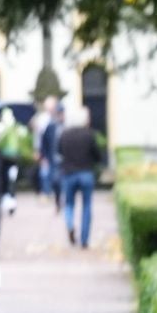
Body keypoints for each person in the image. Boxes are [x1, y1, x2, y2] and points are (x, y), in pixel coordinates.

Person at [56, 104, 107, 248]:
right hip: (85, 173)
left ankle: (70, 224)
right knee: (87, 206)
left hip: (68, 173)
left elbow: (59, 151)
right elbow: (97, 155)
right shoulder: (89, 134)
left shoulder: (64, 134)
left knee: (69, 204)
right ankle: (84, 239)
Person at [36, 97, 64, 208]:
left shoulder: (64, 125)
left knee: (60, 179)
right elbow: (43, 141)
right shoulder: (49, 124)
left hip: (64, 158)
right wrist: (43, 155)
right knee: (52, 178)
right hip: (52, 156)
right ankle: (52, 195)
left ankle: (60, 198)